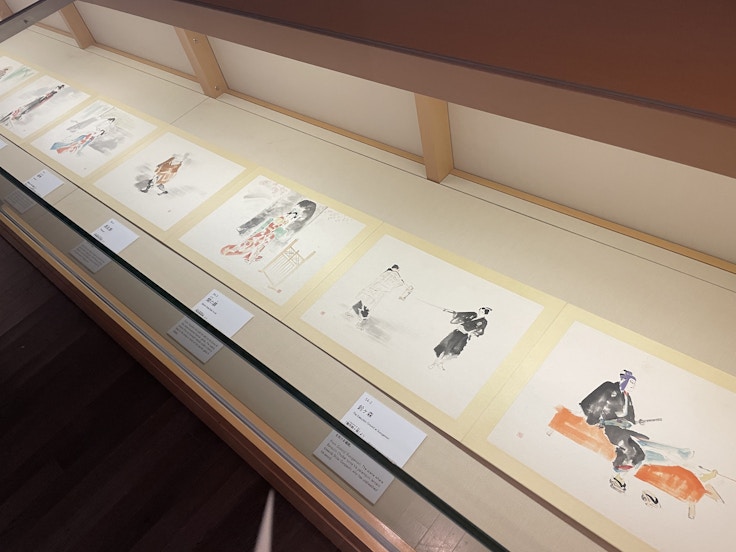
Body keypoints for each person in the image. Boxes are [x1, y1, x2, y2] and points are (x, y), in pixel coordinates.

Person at [579, 370, 648, 493]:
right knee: (630, 450)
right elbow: (595, 404)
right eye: (631, 383)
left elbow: (629, 417)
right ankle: (617, 478)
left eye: (634, 384)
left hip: (620, 428)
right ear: (624, 381)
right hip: (610, 427)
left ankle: (618, 477)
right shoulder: (610, 388)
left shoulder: (627, 397)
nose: (633, 387)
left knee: (640, 454)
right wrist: (596, 420)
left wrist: (637, 421)